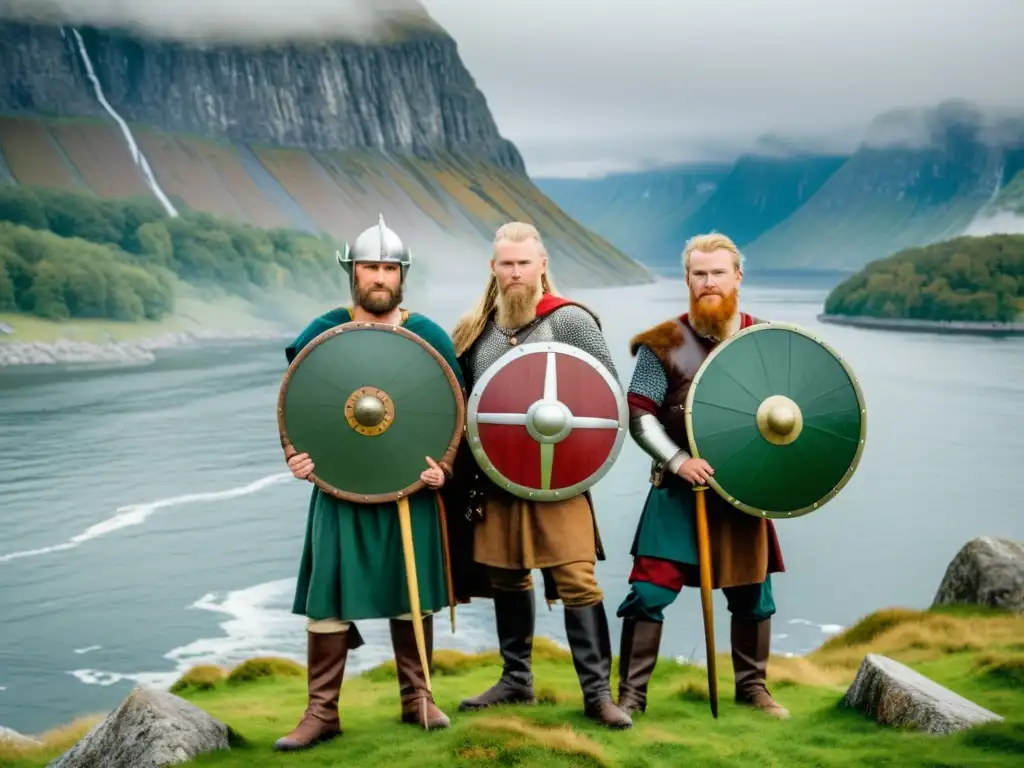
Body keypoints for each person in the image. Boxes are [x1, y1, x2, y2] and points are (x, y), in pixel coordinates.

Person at [274, 215, 465, 752]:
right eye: (368, 268)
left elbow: (454, 410)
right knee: (327, 599)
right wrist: (295, 455)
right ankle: (321, 712)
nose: (378, 277)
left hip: (410, 484)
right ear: (351, 272)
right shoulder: (322, 331)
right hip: (341, 485)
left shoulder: (426, 336)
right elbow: (299, 400)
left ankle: (418, 698)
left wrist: (444, 467)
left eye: (387, 268)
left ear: (402, 274)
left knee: (413, 596)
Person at [443, 221, 632, 729]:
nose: (516, 272)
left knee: (577, 579)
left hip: (558, 478)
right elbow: (457, 403)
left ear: (542, 264)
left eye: (524, 263)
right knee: (506, 575)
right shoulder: (473, 330)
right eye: (507, 263)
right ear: (494, 268)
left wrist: (575, 459)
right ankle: (516, 679)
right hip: (496, 478)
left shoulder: (570, 322)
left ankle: (598, 694)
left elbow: (606, 400)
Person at [615, 232, 788, 719]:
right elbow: (640, 413)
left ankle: (753, 689)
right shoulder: (664, 341)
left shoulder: (765, 339)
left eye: (717, 272)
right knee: (648, 592)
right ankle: (632, 694)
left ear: (738, 276)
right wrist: (677, 461)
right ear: (687, 279)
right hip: (677, 491)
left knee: (753, 593)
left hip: (742, 493)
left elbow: (789, 416)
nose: (708, 282)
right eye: (699, 274)